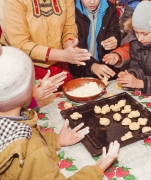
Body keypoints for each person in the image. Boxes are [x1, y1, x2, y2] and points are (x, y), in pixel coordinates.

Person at [0, 44, 120, 179]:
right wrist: (97, 169)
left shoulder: (12, 122)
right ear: (27, 93)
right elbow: (31, 151)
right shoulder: (33, 152)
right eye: (32, 82)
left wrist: (56, 140)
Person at [68, 0, 121, 80]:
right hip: (80, 70)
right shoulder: (72, 11)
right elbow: (75, 45)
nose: (92, 1)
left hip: (104, 68)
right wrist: (92, 65)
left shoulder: (109, 8)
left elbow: (115, 30)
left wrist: (114, 39)